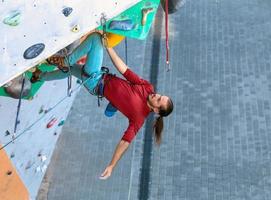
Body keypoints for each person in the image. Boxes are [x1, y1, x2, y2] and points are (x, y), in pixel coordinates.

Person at [31, 32, 174, 179]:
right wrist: (108, 47)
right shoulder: (148, 88)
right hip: (100, 75)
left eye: (158, 100)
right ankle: (39, 76)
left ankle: (65, 61)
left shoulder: (139, 118)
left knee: (95, 38)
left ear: (156, 110)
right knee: (71, 70)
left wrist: (112, 165)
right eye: (160, 95)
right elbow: (124, 70)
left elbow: (125, 142)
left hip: (95, 82)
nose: (156, 95)